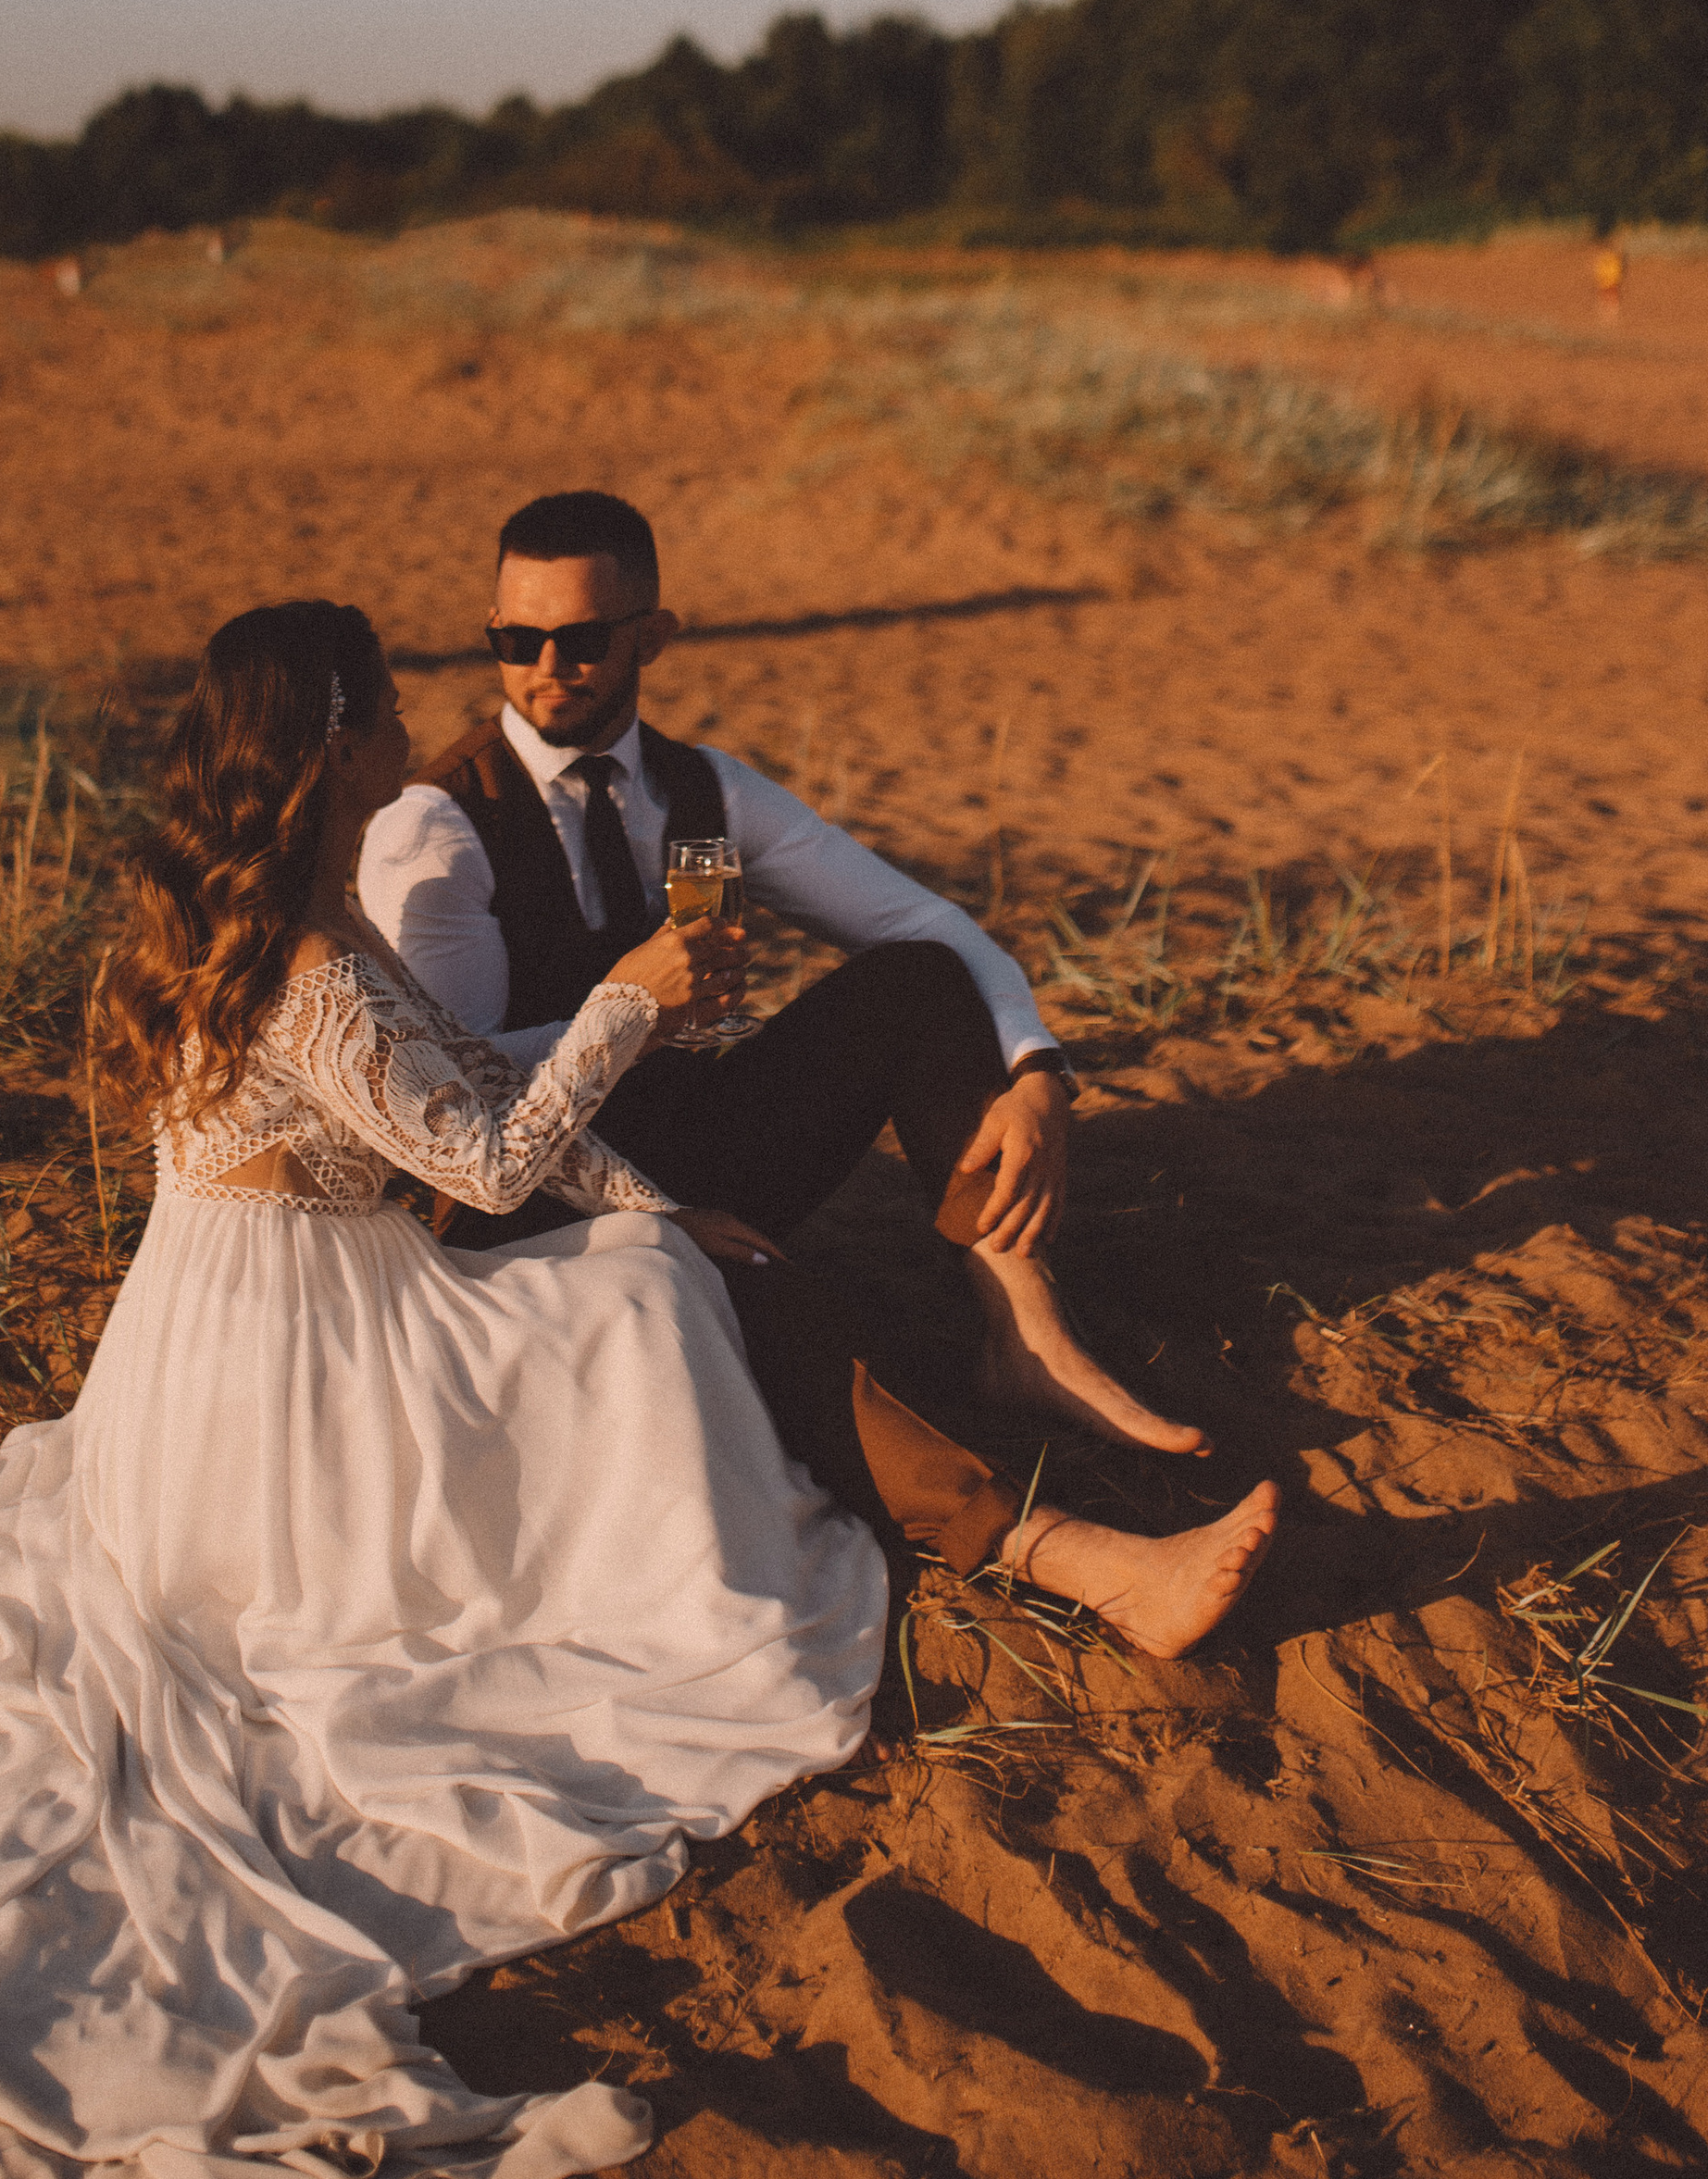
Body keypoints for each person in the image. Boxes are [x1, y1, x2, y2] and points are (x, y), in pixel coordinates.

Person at [0, 601, 1276, 2179]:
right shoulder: (310, 963)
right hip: (303, 1370)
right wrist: (627, 1006)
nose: (412, 728)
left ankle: (1011, 1506)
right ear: (333, 749)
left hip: (244, 1325)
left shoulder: (283, 919)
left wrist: (670, 1195)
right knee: (632, 1317)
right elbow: (477, 1159)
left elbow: (465, 1098)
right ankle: (1030, 1541)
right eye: (383, 710)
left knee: (657, 1263)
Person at [357, 487, 1205, 1461]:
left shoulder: (705, 789)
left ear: (654, 636)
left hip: (702, 1137)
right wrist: (630, 1014)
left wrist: (1038, 1069)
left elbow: (921, 920)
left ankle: (1031, 1335)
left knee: (918, 980)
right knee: (790, 1328)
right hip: (543, 1195)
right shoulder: (435, 824)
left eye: (584, 639)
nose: (547, 670)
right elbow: (454, 1096)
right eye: (516, 640)